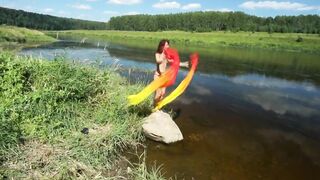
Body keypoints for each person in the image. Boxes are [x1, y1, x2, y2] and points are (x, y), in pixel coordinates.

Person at [153, 39, 189, 106]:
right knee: (158, 94)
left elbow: (174, 62)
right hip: (157, 76)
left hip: (164, 77)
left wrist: (183, 64)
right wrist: (164, 55)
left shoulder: (167, 56)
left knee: (163, 93)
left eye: (168, 45)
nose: (168, 46)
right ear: (162, 46)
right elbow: (158, 61)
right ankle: (153, 106)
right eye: (166, 45)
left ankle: (157, 106)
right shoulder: (157, 54)